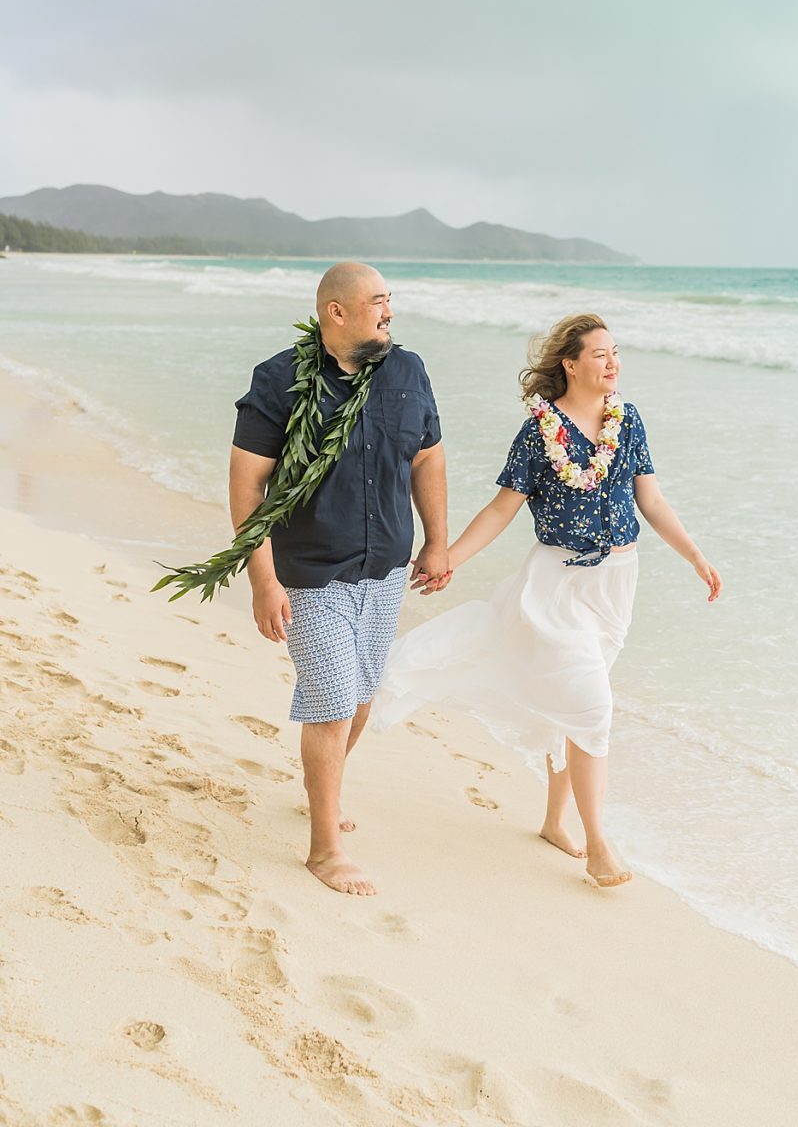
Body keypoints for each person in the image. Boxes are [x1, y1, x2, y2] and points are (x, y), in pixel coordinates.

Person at [372, 313, 722, 889]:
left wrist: (696, 557)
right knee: (592, 708)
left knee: (570, 705)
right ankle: (600, 846)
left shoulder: (627, 421)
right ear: (571, 363)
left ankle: (555, 821)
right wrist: (449, 556)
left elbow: (652, 502)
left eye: (616, 353)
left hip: (615, 583)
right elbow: (501, 510)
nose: (613, 363)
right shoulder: (539, 431)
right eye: (601, 354)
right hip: (554, 586)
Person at [229, 262, 449, 896]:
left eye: (391, 301)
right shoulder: (279, 381)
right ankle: (325, 848)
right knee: (330, 698)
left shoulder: (408, 372)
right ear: (336, 312)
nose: (389, 312)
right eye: (378, 302)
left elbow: (428, 455)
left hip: (384, 569)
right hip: (308, 572)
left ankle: (319, 790)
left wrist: (436, 540)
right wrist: (261, 579)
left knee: (358, 697)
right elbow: (248, 489)